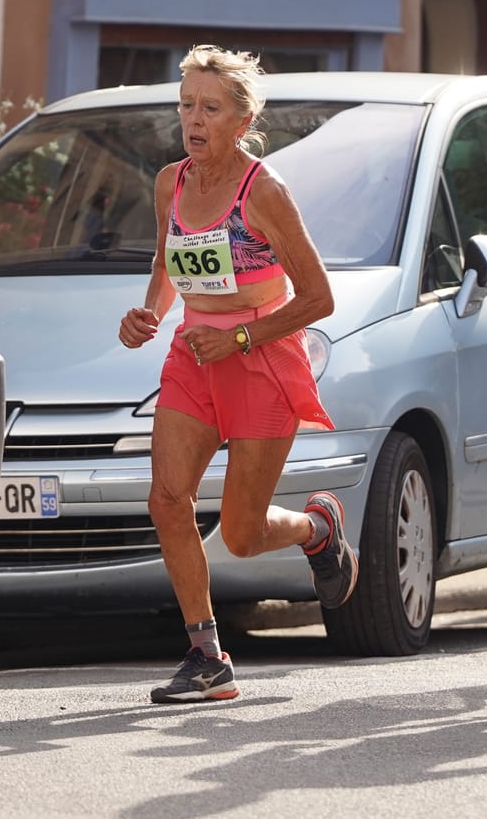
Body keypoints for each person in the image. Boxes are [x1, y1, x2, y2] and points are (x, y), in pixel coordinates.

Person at [117, 45, 353, 705]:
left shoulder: (265, 192)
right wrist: (146, 314)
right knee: (167, 499)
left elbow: (317, 298)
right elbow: (169, 267)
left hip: (261, 356)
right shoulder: (173, 182)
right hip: (194, 354)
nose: (193, 120)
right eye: (186, 104)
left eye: (210, 108)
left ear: (243, 116)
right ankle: (206, 653)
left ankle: (317, 529)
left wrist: (243, 336)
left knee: (243, 535)